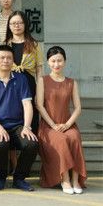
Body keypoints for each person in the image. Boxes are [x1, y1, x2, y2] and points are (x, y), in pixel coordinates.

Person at [0, 45, 39, 192]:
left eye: (9, 58)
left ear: (13, 61)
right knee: (0, 143)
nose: (6, 61)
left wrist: (27, 127)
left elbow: (27, 104)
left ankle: (19, 179)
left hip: (17, 125)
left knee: (31, 144)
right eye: (2, 58)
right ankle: (0, 179)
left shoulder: (21, 79)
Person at [36, 46, 86, 194]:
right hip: (48, 126)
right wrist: (53, 125)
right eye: (53, 61)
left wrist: (67, 124)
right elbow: (39, 105)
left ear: (65, 61)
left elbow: (78, 107)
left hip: (67, 124)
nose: (56, 64)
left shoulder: (72, 82)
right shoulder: (42, 81)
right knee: (61, 140)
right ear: (48, 62)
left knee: (75, 137)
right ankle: (65, 180)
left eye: (59, 60)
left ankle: (76, 180)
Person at [5, 11, 43, 131]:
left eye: (20, 23)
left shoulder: (34, 45)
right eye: (13, 23)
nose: (17, 26)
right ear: (9, 26)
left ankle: (31, 140)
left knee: (31, 114)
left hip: (29, 84)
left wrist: (39, 91)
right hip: (9, 84)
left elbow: (39, 70)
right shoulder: (5, 45)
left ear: (25, 24)